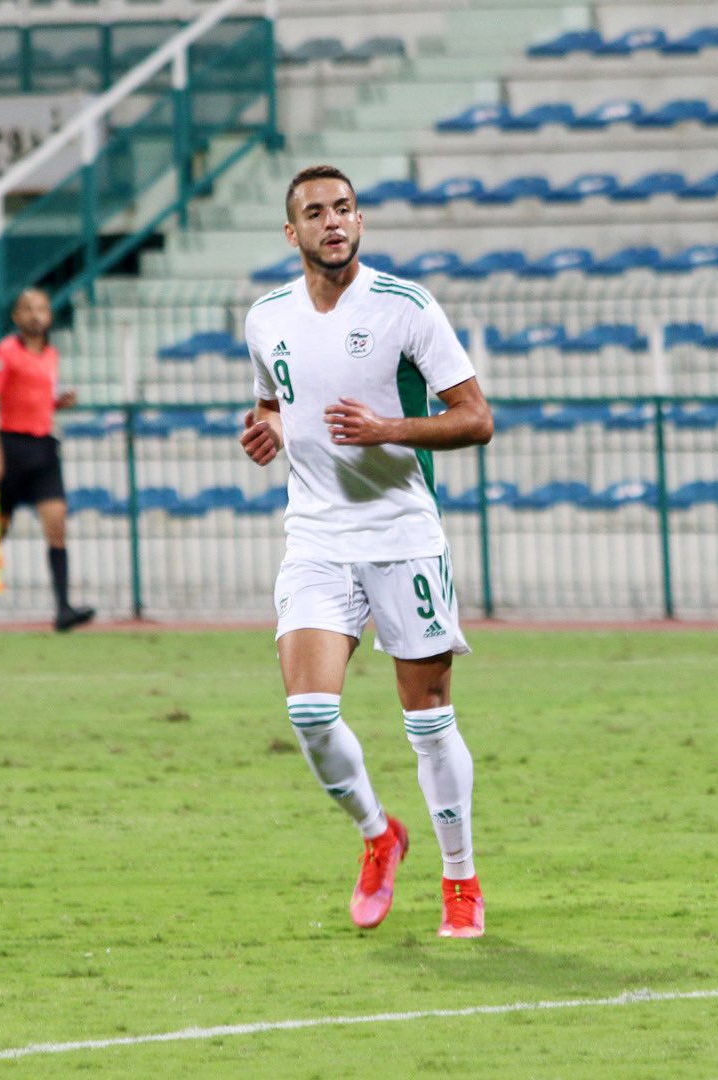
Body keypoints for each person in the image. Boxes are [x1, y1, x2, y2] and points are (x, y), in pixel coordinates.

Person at [239, 164, 495, 938]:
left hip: (401, 535)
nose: (334, 222)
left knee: (429, 722)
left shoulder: (405, 308)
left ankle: (460, 880)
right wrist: (268, 430)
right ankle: (380, 835)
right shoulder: (267, 318)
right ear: (293, 232)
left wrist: (388, 430)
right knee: (310, 712)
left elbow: (476, 418)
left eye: (344, 208)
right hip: (317, 536)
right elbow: (274, 401)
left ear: (360, 220)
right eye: (317, 212)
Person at [0, 287, 96, 634]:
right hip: (12, 447)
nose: (35, 315)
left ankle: (63, 609)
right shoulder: (4, 353)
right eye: (28, 308)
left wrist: (57, 403)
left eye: (41, 308)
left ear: (50, 315)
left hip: (44, 447)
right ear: (16, 316)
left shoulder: (51, 355)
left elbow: (35, 397)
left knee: (56, 524)